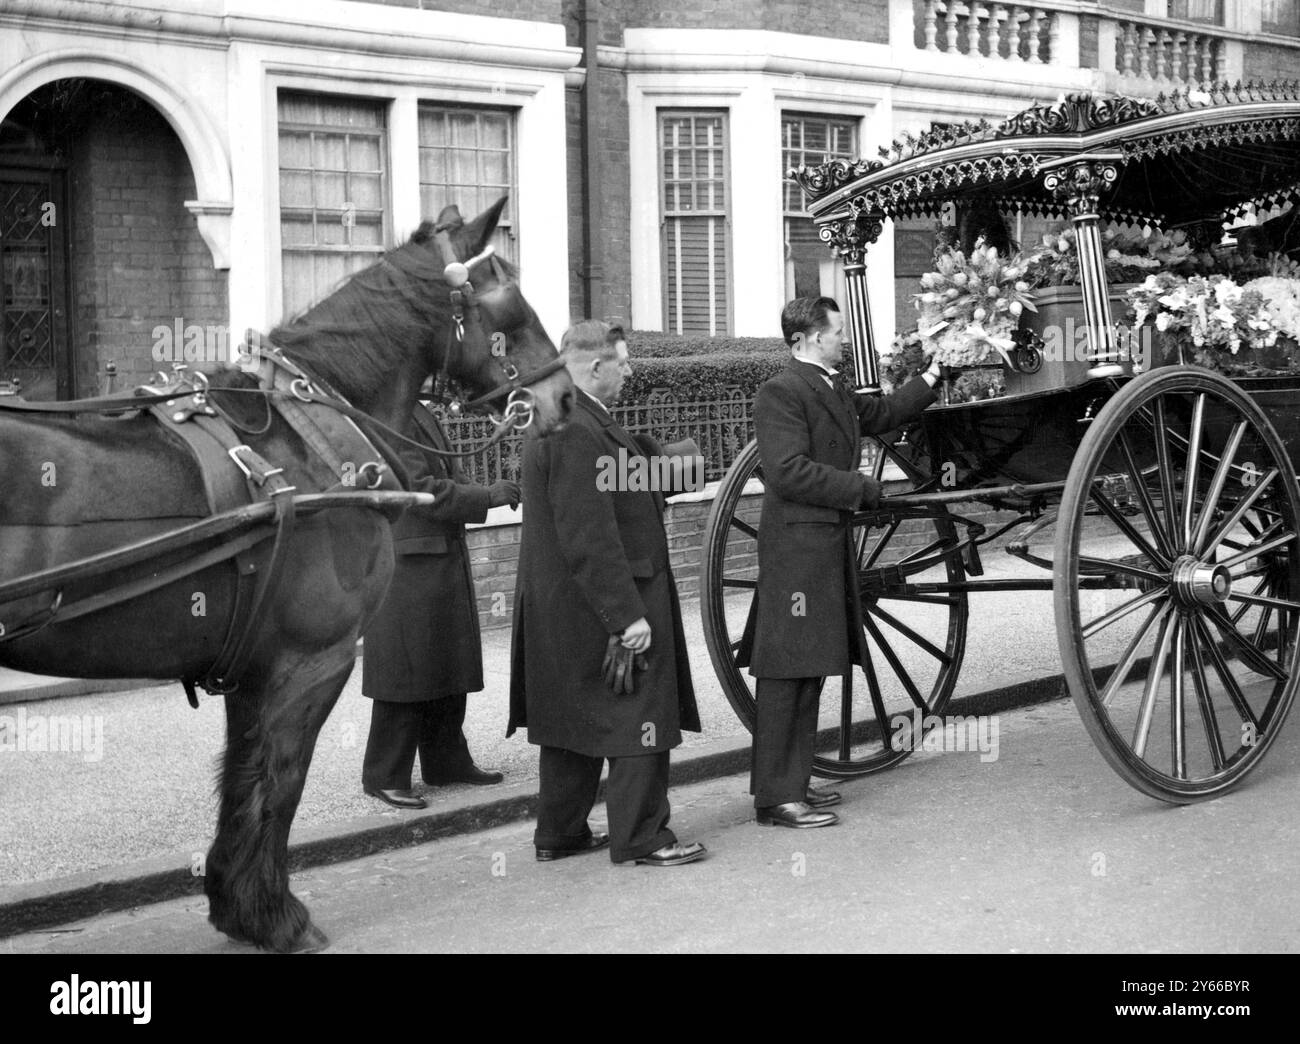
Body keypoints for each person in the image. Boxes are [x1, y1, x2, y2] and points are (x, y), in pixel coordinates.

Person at [508, 320, 706, 867]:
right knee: (636, 716)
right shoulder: (575, 427)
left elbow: (619, 486)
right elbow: (588, 536)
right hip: (603, 605)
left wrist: (665, 462)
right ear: (595, 368)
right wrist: (626, 616)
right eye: (622, 362)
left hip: (566, 609)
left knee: (572, 717)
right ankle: (642, 837)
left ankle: (560, 832)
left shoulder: (568, 417)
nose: (630, 370)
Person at [740, 296, 942, 828]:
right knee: (787, 672)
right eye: (836, 332)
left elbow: (884, 413)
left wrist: (934, 374)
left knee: (810, 670)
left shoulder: (832, 386)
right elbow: (786, 472)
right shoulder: (780, 392)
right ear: (806, 339)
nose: (844, 340)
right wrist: (860, 487)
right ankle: (776, 798)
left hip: (822, 546)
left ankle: (794, 782)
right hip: (797, 550)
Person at [361, 403, 519, 810]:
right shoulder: (391, 416)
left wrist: (479, 490)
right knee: (407, 669)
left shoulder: (415, 410)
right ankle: (384, 775)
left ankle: (446, 761)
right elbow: (419, 488)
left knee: (445, 663)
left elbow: (450, 475)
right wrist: (486, 495)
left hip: (435, 554)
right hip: (410, 560)